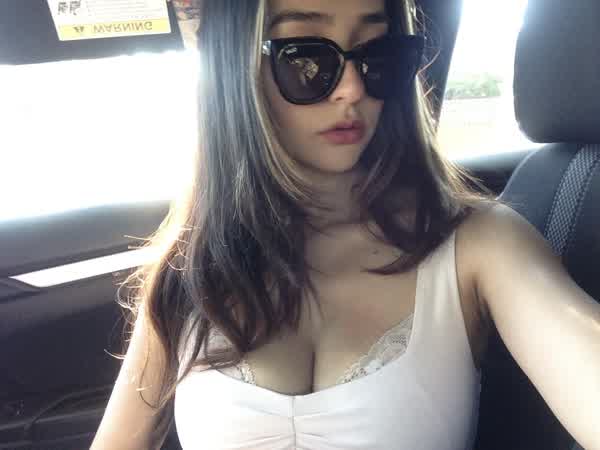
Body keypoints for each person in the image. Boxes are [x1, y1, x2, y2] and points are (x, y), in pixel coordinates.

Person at [91, 1, 600, 449]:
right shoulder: (192, 263)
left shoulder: (480, 243)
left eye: (377, 52)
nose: (353, 88)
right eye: (306, 57)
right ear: (235, 68)